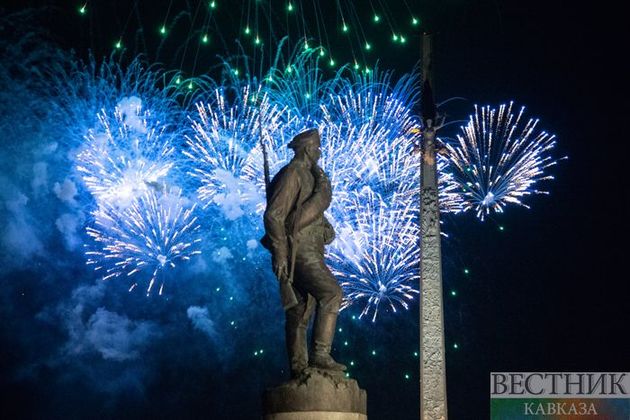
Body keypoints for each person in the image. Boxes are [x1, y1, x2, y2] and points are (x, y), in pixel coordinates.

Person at [262, 128, 346, 379]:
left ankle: (300, 370)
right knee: (331, 293)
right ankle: (320, 354)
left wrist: (324, 229)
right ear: (308, 149)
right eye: (318, 148)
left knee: (299, 311)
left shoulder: (307, 176)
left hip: (310, 249)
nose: (319, 152)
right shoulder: (293, 174)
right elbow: (274, 215)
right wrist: (279, 252)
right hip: (299, 251)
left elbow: (306, 213)